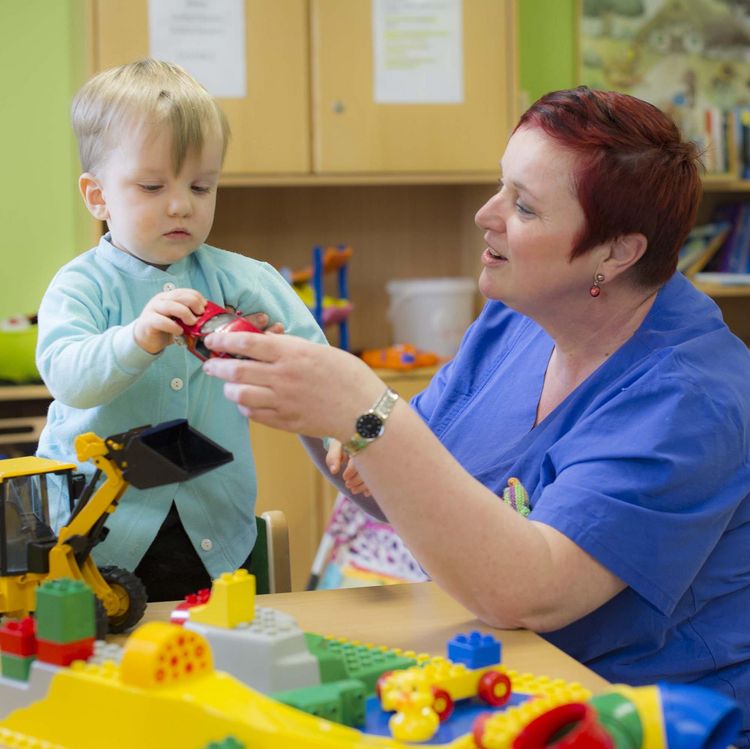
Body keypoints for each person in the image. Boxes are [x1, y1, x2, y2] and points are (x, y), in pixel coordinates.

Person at [202, 86, 750, 744]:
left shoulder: (692, 399)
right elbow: (401, 485)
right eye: (500, 186)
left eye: (522, 204)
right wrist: (301, 384)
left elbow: (531, 587)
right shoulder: (517, 319)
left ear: (617, 252)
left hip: (640, 714)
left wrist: (367, 412)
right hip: (508, 668)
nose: (485, 215)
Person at [35, 59, 327, 601]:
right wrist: (135, 339)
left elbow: (317, 364)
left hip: (211, 527)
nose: (180, 205)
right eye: (151, 186)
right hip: (97, 533)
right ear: (97, 196)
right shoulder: (81, 285)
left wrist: (340, 440)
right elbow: (69, 378)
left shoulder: (242, 280)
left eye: (201, 186)